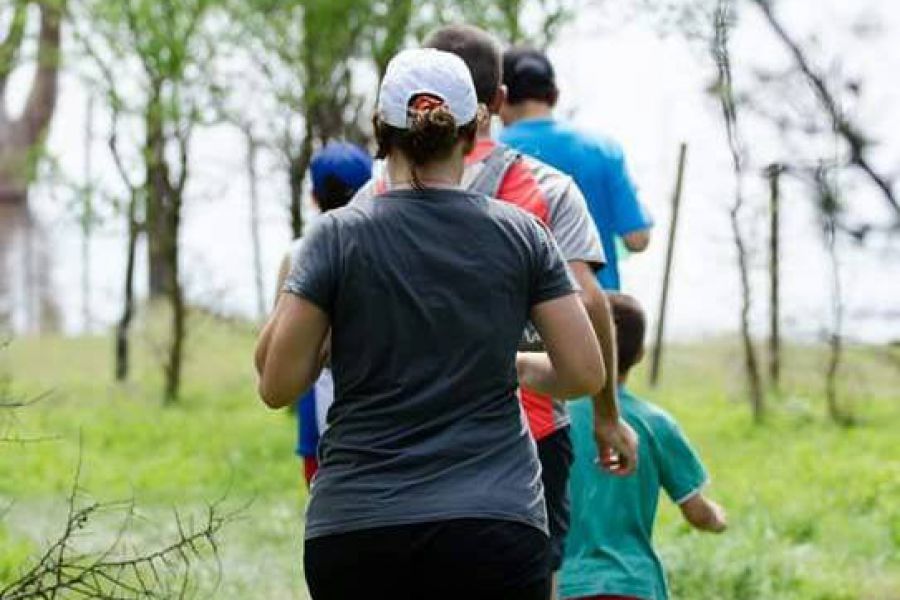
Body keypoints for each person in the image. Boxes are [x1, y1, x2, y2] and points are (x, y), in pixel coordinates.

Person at [255, 48, 608, 599]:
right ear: (474, 131)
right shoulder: (523, 235)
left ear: (380, 130)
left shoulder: (337, 236)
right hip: (495, 524)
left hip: (359, 529)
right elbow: (585, 372)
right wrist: (515, 367)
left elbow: (277, 384)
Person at [422, 24, 638, 597]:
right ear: (496, 102)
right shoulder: (546, 186)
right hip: (531, 427)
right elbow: (591, 299)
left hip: (414, 429)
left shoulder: (379, 196)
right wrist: (608, 411)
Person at [560, 293, 727, 600]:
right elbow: (697, 512)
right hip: (634, 584)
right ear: (639, 354)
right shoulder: (656, 424)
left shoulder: (556, 417)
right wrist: (718, 518)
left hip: (563, 585)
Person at [499, 47, 653, 291]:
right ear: (555, 95)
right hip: (599, 310)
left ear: (500, 98)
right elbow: (637, 239)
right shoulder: (604, 149)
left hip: (520, 313)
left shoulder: (489, 154)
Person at [272, 141, 373, 487]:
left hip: (317, 409)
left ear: (313, 196)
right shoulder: (383, 247)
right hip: (375, 408)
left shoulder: (298, 253)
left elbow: (277, 337)